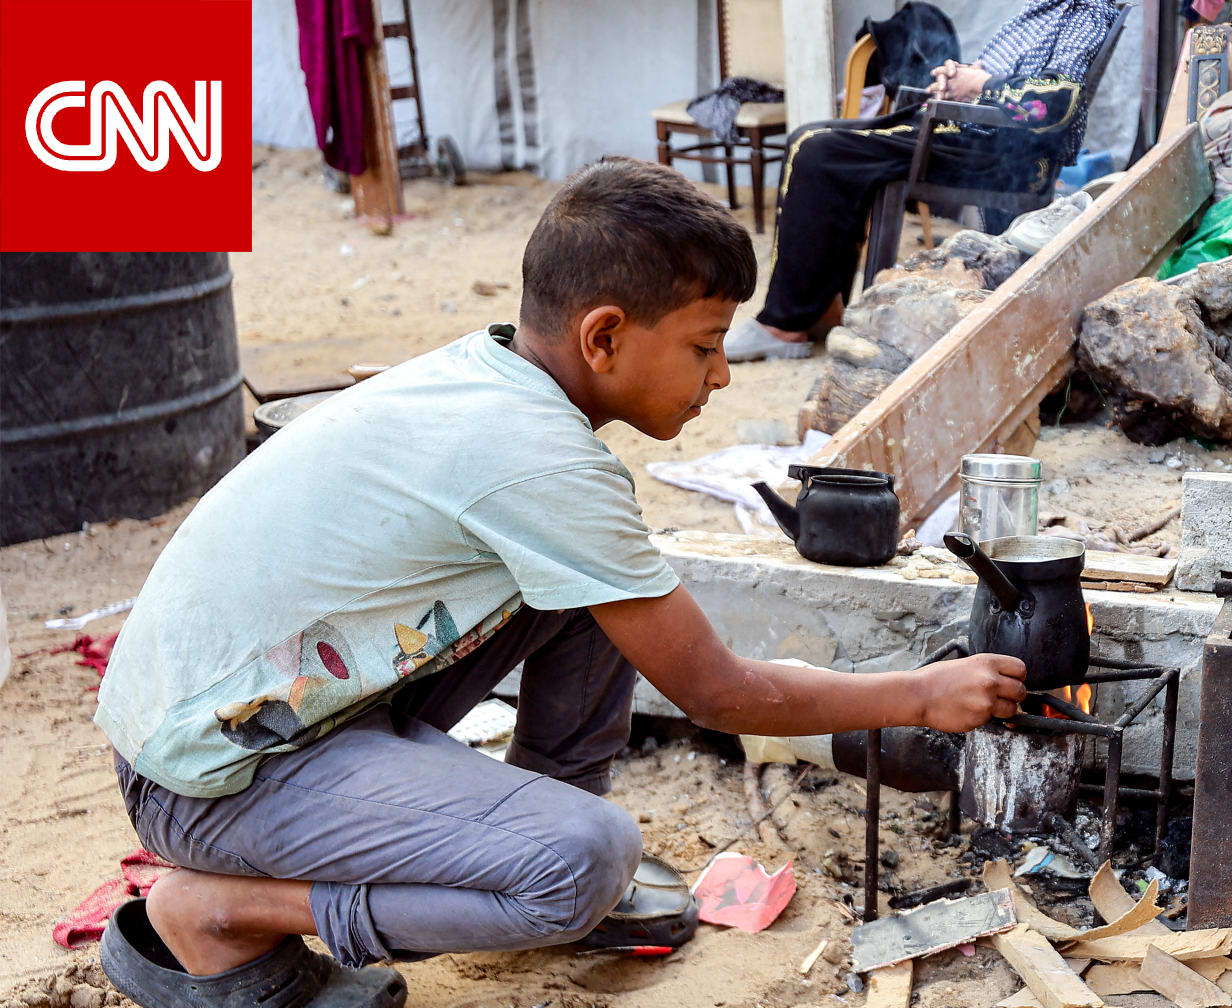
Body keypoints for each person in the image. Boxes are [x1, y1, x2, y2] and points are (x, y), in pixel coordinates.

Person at [92, 157, 1027, 1007]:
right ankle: (222, 912)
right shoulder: (541, 459)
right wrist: (916, 693)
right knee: (585, 860)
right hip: (212, 780)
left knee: (597, 596)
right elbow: (716, 692)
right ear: (605, 336)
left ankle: (517, 842)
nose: (720, 378)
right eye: (704, 346)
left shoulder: (489, 374)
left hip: (242, 718)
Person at [725, 0, 1123, 362]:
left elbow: (1057, 105)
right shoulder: (1047, 8)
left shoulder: (1082, 13)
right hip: (969, 134)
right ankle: (819, 306)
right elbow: (1008, 79)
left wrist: (977, 85)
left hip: (988, 151)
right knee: (814, 145)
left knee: (816, 150)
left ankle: (783, 324)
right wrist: (961, 78)